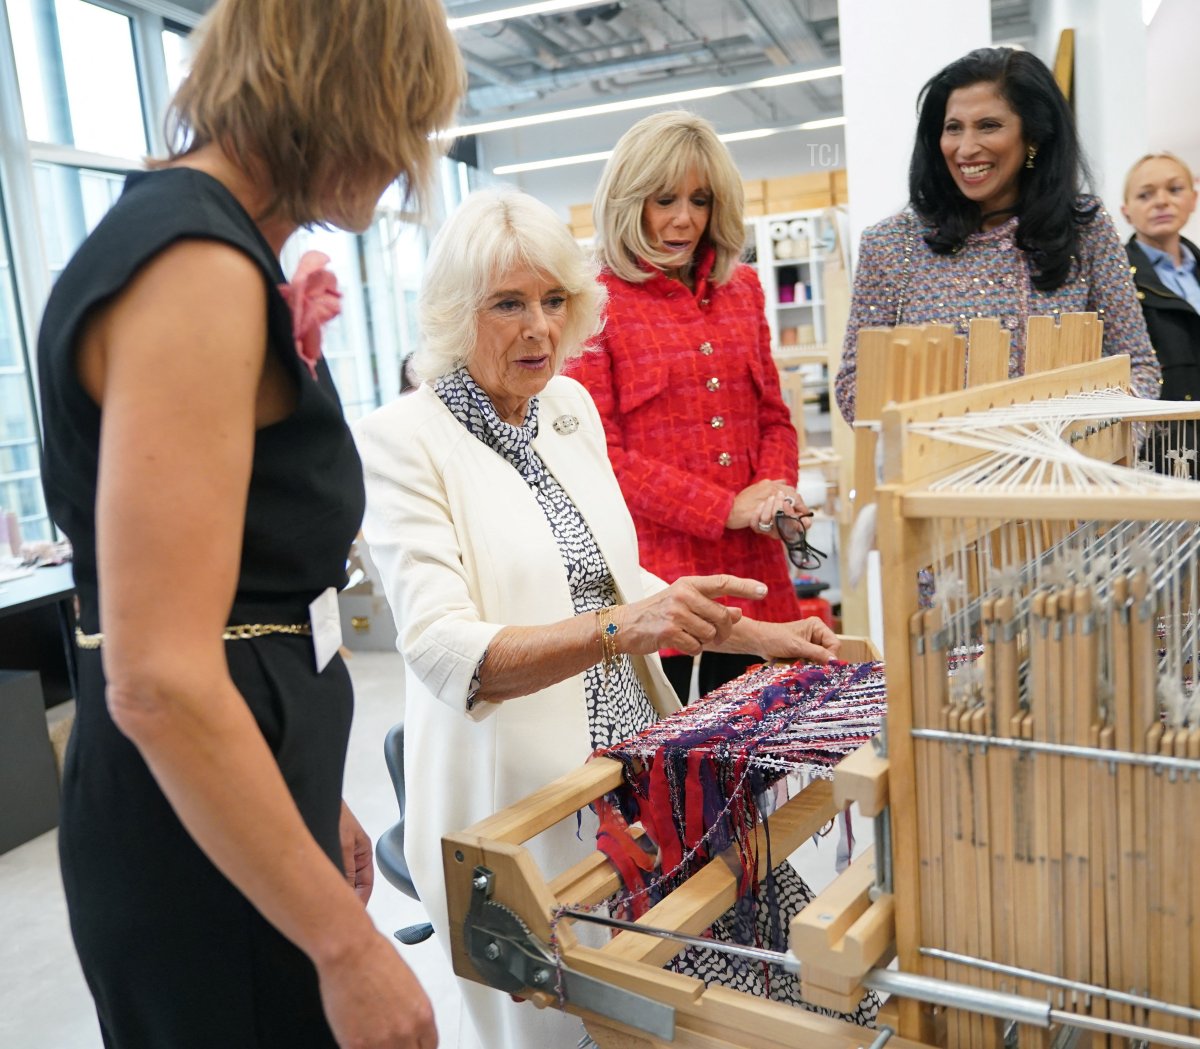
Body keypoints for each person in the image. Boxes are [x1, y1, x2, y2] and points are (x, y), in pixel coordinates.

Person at [356, 188, 875, 1049]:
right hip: (522, 798)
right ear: (455, 312)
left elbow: (620, 580)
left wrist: (763, 640)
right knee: (567, 1022)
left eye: (555, 301)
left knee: (665, 1004)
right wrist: (620, 627)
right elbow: (445, 649)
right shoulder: (401, 440)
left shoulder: (568, 409)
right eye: (509, 304)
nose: (538, 329)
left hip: (633, 775)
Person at [36, 3, 462, 1047]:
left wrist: (308, 804)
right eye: (407, 122)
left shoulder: (196, 244)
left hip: (229, 799)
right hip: (187, 846)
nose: (406, 166)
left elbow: (236, 606)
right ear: (349, 97)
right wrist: (347, 947)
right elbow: (164, 676)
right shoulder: (196, 269)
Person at [566, 110, 809, 703]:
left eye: (699, 200)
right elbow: (603, 457)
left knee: (766, 742)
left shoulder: (744, 290)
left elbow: (773, 414)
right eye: (664, 199)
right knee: (665, 758)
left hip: (755, 568)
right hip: (657, 576)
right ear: (629, 202)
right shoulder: (592, 300)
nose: (684, 219)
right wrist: (724, 507)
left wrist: (776, 490)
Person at [835, 47, 1160, 423]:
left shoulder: (1084, 229)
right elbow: (852, 385)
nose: (966, 148)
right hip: (938, 475)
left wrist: (1094, 434)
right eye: (953, 127)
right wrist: (928, 421)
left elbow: (1138, 367)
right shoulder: (892, 245)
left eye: (989, 125)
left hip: (1065, 474)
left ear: (1033, 137)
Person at [1122, 153, 1200, 404]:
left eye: (1175, 189)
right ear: (1126, 212)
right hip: (1164, 430)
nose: (1162, 202)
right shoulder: (1117, 280)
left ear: (1193, 199)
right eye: (1145, 195)